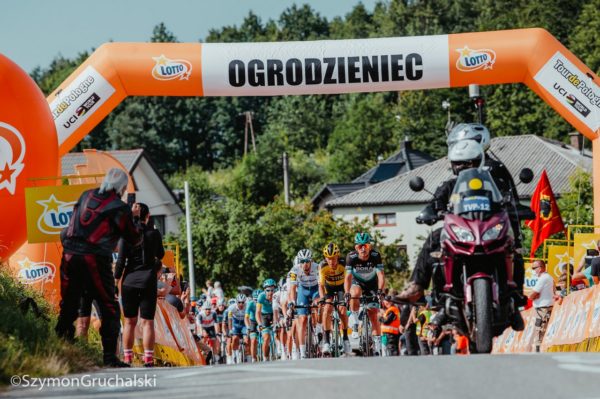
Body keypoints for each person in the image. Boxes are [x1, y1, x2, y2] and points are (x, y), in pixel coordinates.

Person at [397, 123, 526, 306]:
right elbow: (436, 202)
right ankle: (418, 286)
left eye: (468, 162)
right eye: (458, 163)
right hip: (462, 232)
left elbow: (511, 199)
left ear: (478, 159)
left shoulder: (495, 177)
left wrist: (518, 210)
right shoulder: (451, 185)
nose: (463, 167)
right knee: (434, 239)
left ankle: (516, 294)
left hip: (490, 228)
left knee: (514, 248)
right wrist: (429, 212)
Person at [56, 168, 142, 368]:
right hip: (94, 257)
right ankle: (109, 358)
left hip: (69, 253)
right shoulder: (119, 207)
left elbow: (72, 224)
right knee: (109, 306)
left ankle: (61, 351)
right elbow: (135, 238)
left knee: (69, 305)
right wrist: (135, 218)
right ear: (121, 188)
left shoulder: (86, 194)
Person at [114, 202, 165, 367]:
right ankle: (148, 359)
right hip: (148, 280)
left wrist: (115, 283)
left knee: (129, 321)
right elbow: (161, 254)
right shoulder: (154, 233)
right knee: (147, 322)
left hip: (128, 281)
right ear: (148, 216)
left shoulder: (125, 235)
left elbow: (120, 262)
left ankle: (128, 358)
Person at [344, 232, 385, 356]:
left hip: (372, 285)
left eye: (365, 246)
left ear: (369, 246)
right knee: (354, 292)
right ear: (356, 248)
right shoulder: (351, 257)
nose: (363, 249)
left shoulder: (375, 255)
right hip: (358, 283)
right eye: (360, 246)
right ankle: (355, 324)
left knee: (373, 314)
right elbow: (347, 278)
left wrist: (380, 291)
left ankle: (377, 346)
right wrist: (346, 292)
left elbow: (381, 275)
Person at [319, 242, 352, 356]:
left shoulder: (344, 264)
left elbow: (348, 279)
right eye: (329, 259)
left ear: (338, 256)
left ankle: (346, 339)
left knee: (342, 310)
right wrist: (323, 298)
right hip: (329, 288)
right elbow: (321, 285)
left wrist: (347, 293)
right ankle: (326, 341)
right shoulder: (323, 266)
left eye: (333, 258)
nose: (331, 261)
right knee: (327, 309)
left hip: (341, 288)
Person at [287, 249, 320, 359]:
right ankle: (302, 351)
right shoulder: (294, 270)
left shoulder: (318, 267)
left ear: (311, 261)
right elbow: (293, 288)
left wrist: (320, 298)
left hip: (315, 289)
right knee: (302, 319)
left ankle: (318, 328)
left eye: (307, 261)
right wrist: (292, 301)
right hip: (303, 291)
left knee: (317, 305)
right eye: (302, 261)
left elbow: (321, 285)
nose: (304, 264)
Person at [529, 260, 555, 352]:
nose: (533, 270)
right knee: (540, 331)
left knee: (540, 331)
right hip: (543, 309)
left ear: (540, 268)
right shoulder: (549, 277)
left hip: (543, 309)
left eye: (534, 268)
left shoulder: (543, 278)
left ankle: (539, 353)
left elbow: (532, 295)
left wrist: (533, 296)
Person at [256, 279, 277, 360]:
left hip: (275, 313)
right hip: (264, 316)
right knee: (266, 337)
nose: (270, 292)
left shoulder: (276, 295)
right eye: (268, 290)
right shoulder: (261, 296)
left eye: (272, 290)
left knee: (278, 332)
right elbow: (257, 312)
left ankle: (280, 351)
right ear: (264, 290)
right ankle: (265, 357)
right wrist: (259, 324)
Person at [228, 294, 248, 364]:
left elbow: (249, 318)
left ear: (245, 302)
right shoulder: (231, 307)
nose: (241, 304)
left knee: (246, 339)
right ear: (236, 302)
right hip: (235, 323)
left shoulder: (247, 306)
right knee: (235, 338)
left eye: (243, 302)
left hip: (244, 323)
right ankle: (234, 353)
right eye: (239, 302)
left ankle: (245, 354)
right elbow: (230, 320)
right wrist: (230, 330)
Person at [245, 289, 262, 362]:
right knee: (253, 340)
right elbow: (246, 317)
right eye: (255, 300)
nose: (257, 302)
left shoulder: (265, 301)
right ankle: (253, 358)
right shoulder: (250, 303)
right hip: (253, 321)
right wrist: (248, 327)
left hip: (262, 319)